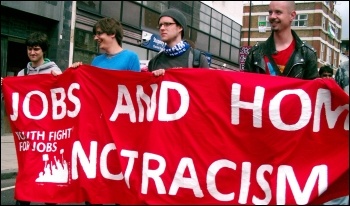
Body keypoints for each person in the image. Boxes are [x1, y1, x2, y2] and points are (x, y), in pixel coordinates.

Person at [1, 31, 62, 205]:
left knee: (48, 171)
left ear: (43, 51)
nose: (32, 53)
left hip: (48, 133)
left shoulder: (54, 71)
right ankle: (23, 200)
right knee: (27, 171)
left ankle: (50, 201)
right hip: (29, 133)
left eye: (36, 49)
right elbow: (15, 99)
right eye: (29, 49)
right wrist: (4, 87)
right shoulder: (22, 73)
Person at [244, 1, 318, 80]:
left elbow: (312, 89)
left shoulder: (307, 53)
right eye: (270, 12)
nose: (272, 16)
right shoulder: (255, 53)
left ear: (292, 16)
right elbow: (245, 86)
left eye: (278, 12)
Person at [148, 8, 209, 76]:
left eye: (167, 24)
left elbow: (206, 85)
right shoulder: (154, 61)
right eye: (160, 25)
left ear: (180, 27)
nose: (162, 28)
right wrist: (155, 78)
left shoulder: (198, 59)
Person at [71, 17, 140, 72]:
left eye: (99, 33)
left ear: (112, 33)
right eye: (95, 35)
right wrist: (77, 70)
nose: (95, 38)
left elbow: (137, 85)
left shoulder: (131, 57)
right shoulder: (96, 61)